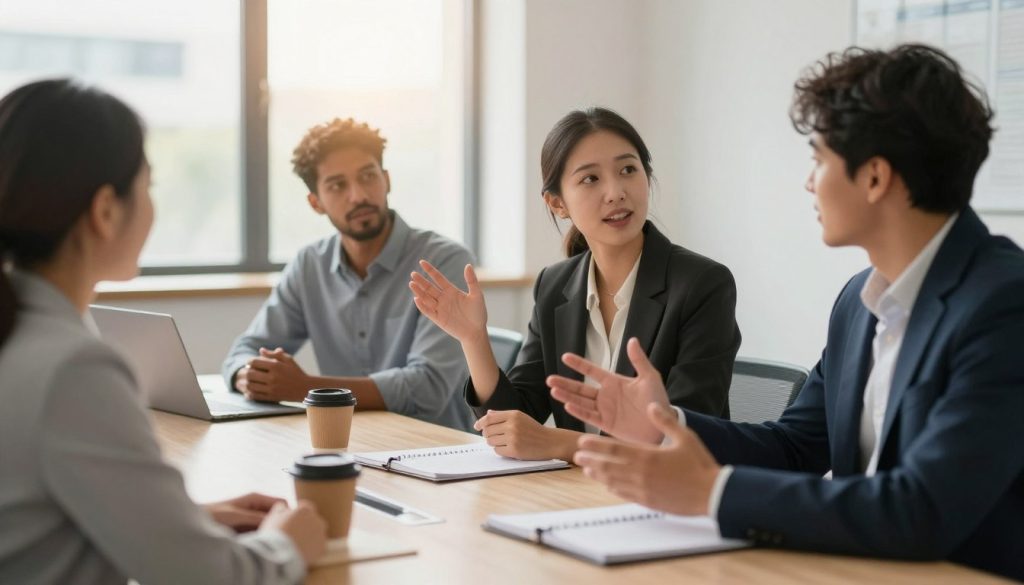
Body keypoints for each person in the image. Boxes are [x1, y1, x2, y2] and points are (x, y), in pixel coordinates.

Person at [548, 44, 1024, 581]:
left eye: (819, 159)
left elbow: (921, 509)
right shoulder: (858, 301)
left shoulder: (1004, 303)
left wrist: (712, 491)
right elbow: (795, 446)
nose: (808, 181)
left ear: (873, 177)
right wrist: (665, 424)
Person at [0, 79, 326, 584]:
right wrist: (287, 544)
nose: (153, 205)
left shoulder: (20, 332)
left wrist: (182, 520)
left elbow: (32, 519)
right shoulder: (73, 368)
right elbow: (207, 576)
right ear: (105, 211)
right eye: (148, 186)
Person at [410, 107, 741, 461]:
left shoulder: (702, 284)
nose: (615, 192)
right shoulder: (555, 286)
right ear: (556, 203)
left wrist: (560, 444)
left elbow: (686, 435)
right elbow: (517, 417)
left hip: (669, 497)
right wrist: (473, 337)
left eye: (628, 170)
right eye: (590, 179)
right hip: (580, 494)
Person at [222, 118, 475, 431]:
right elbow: (243, 351)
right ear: (316, 203)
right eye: (337, 185)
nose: (358, 195)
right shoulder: (309, 265)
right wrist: (248, 374)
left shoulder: (443, 260)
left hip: (437, 448)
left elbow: (428, 388)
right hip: (347, 441)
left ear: (387, 180)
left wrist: (304, 388)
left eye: (368, 177)